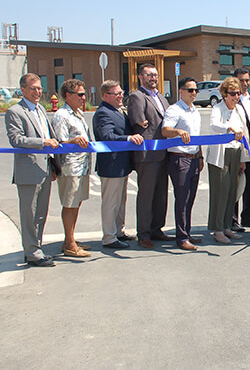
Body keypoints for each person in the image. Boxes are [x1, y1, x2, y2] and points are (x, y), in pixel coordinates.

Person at [6, 73, 59, 267]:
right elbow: (17, 139)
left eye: (39, 88)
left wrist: (54, 165)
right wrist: (42, 142)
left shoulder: (41, 110)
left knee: (41, 213)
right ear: (23, 90)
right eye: (33, 88)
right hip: (28, 169)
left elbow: (51, 137)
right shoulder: (15, 112)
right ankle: (31, 252)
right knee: (29, 213)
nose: (38, 92)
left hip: (45, 167)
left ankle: (36, 248)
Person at [92, 80, 143, 249]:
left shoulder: (118, 111)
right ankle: (109, 237)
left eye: (121, 92)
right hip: (111, 165)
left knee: (120, 201)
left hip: (122, 165)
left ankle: (118, 231)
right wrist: (128, 138)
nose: (121, 96)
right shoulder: (103, 113)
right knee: (110, 203)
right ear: (106, 96)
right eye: (117, 94)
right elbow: (107, 136)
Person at [127, 63, 172, 249]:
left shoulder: (161, 97)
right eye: (149, 75)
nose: (153, 78)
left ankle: (157, 229)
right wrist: (143, 122)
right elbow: (139, 121)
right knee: (146, 196)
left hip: (164, 153)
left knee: (161, 195)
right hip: (147, 155)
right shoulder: (137, 97)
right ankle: (143, 233)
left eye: (155, 75)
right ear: (140, 77)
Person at [206, 77, 250, 244]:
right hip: (220, 155)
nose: (236, 96)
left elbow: (244, 133)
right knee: (220, 192)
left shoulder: (239, 109)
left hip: (236, 153)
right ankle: (217, 229)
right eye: (232, 93)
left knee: (232, 191)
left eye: (238, 93)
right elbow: (214, 125)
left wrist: (243, 159)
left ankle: (226, 226)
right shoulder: (218, 108)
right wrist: (228, 128)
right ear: (225, 94)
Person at [51, 79, 92, 258]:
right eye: (80, 94)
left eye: (84, 94)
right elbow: (59, 143)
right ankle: (69, 244)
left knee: (77, 203)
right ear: (68, 95)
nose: (83, 98)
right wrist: (73, 141)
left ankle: (71, 238)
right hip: (70, 167)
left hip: (82, 166)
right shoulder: (62, 115)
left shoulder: (78, 113)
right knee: (69, 204)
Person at [162, 78, 204, 250]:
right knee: (182, 198)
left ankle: (187, 231)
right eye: (190, 90)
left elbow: (197, 136)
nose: (193, 93)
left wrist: (200, 156)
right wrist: (177, 131)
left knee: (190, 198)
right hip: (179, 158)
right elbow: (165, 130)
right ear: (181, 91)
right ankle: (181, 237)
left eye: (195, 90)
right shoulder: (174, 110)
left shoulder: (195, 111)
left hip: (194, 158)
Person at [231, 67, 250, 231]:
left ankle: (249, 217)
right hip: (238, 146)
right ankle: (233, 220)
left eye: (247, 80)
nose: (245, 83)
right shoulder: (233, 99)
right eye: (241, 80)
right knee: (236, 183)